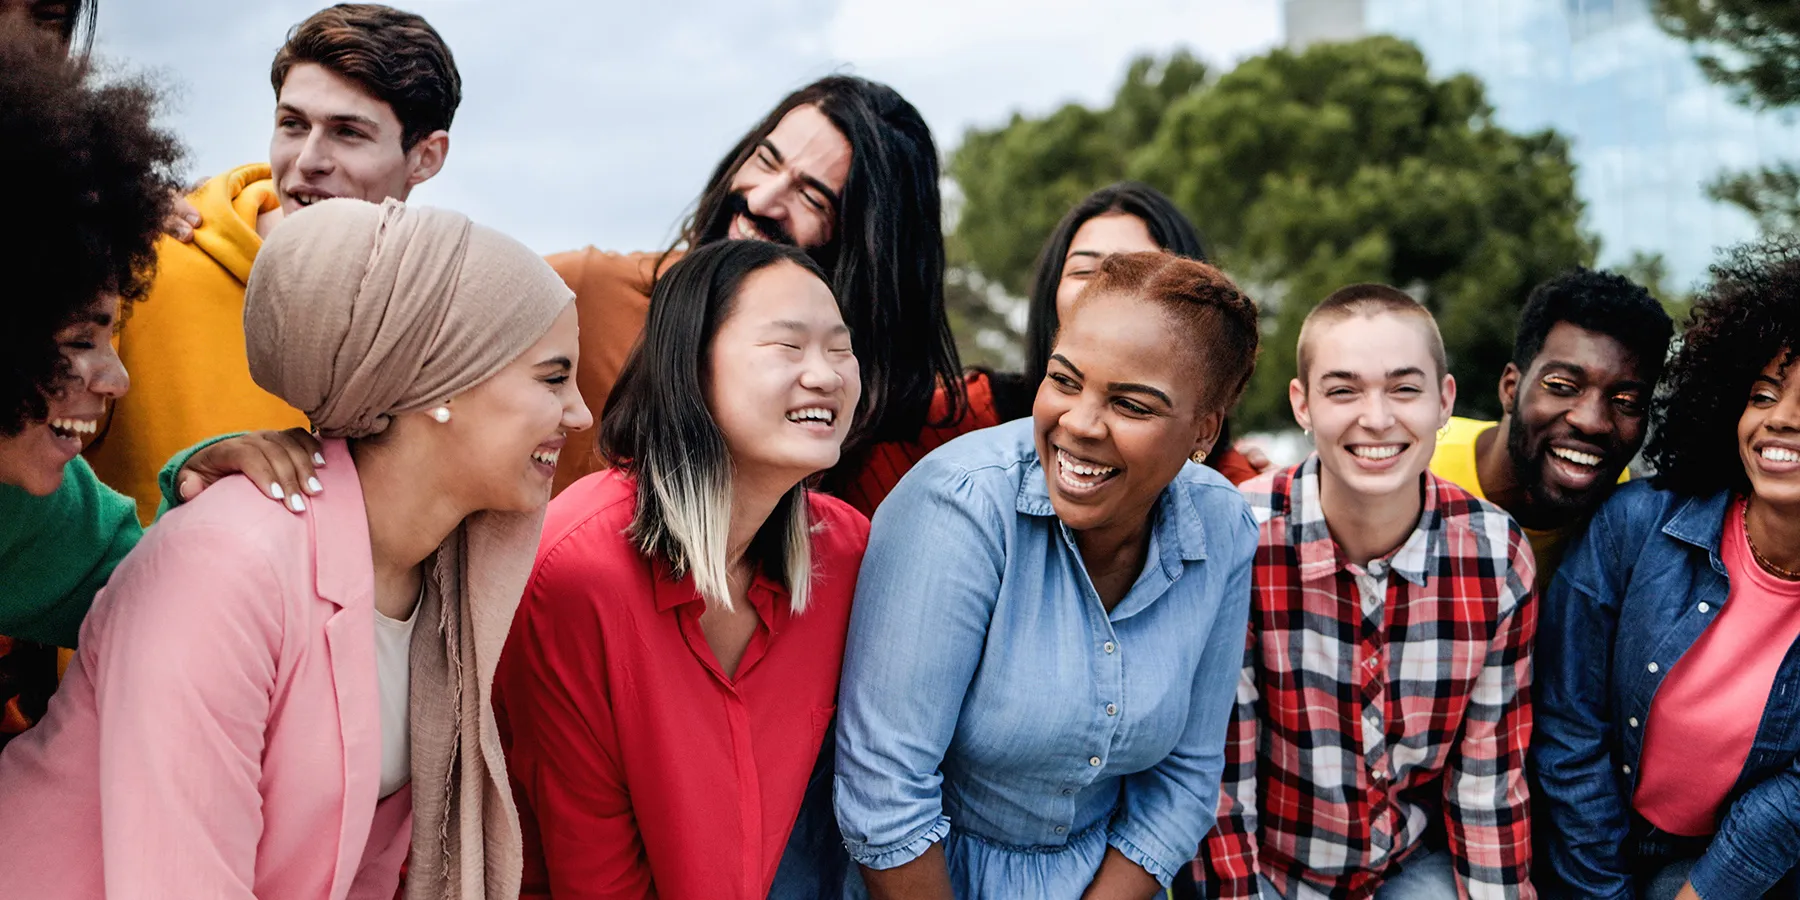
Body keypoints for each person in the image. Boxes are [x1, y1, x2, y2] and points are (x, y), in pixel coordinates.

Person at [0, 197, 590, 898]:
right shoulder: (224, 563)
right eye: (553, 378)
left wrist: (198, 483)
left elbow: (128, 574)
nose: (582, 413)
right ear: (443, 379)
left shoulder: (439, 584)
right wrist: (215, 541)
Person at [835, 251, 1260, 898]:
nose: (1080, 424)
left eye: (1132, 405)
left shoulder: (1224, 526)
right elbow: (883, 793)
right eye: (1065, 381)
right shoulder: (959, 506)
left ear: (1202, 431)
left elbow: (1183, 782)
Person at [494, 239, 869, 900]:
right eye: (788, 347)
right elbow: (593, 874)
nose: (826, 374)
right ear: (692, 367)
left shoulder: (847, 552)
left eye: (839, 348)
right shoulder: (575, 572)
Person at [0, 20, 323, 746]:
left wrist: (192, 481)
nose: (117, 379)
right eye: (81, 340)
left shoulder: (33, 511)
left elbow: (147, 591)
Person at [1193, 284, 1537, 899]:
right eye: (1343, 389)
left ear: (1444, 402)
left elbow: (1487, 781)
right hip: (1271, 868)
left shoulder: (1494, 555)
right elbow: (1222, 781)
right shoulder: (1239, 536)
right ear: (1302, 404)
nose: (1376, 418)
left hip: (1409, 865)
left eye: (1404, 388)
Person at [84, 2, 461, 523]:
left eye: (348, 132)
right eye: (292, 124)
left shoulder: (449, 319)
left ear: (426, 157)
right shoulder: (140, 259)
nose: (308, 160)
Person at [544, 76, 972, 515]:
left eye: (812, 196)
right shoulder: (577, 294)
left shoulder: (868, 413)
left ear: (867, 254)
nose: (762, 200)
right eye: (766, 160)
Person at [1534, 237, 1800, 900]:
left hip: (1728, 857)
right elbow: (1568, 724)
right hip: (1596, 838)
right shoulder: (1637, 525)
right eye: (1763, 395)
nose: (1782, 422)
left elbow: (1790, 799)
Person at [984, 181, 1260, 485]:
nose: (1105, 291)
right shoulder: (963, 416)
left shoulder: (1236, 493)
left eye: (1139, 273)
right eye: (1084, 271)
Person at [1429, 268, 1673, 586]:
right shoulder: (1412, 469)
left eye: (1626, 401)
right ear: (1510, 388)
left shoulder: (1626, 522)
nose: (1591, 422)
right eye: (1562, 385)